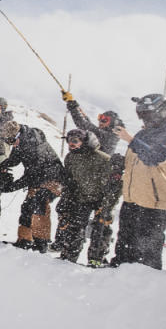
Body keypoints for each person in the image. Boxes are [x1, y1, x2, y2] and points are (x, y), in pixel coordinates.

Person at [110, 93, 166, 270]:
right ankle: (118, 271)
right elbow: (137, 159)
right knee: (126, 238)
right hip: (134, 197)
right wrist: (120, 162)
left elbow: (155, 158)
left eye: (149, 115)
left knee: (147, 246)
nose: (145, 119)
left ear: (161, 112)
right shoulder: (144, 133)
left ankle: (147, 279)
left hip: (157, 201)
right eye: (142, 115)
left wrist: (130, 140)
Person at [60, 90, 126, 262]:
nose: (101, 122)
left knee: (101, 227)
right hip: (87, 182)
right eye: (100, 119)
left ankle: (96, 258)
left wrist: (73, 106)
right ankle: (70, 252)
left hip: (102, 185)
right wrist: (74, 104)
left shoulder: (110, 136)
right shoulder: (93, 140)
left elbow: (85, 126)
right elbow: (87, 125)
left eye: (105, 120)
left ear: (114, 124)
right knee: (77, 223)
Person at [0, 124, 63, 252]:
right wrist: (0, 166)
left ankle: (41, 243)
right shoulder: (21, 141)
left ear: (18, 135)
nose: (12, 145)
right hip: (38, 178)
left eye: (11, 141)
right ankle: (25, 240)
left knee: (39, 205)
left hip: (53, 179)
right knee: (27, 206)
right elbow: (14, 159)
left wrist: (12, 186)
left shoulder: (34, 146)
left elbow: (31, 176)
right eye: (8, 142)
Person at [54, 129, 112, 265]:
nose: (71, 144)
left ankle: (96, 259)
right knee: (75, 227)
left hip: (101, 199)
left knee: (101, 229)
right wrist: (68, 196)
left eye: (75, 141)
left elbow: (113, 182)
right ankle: (69, 255)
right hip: (81, 197)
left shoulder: (102, 158)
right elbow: (69, 179)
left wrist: (107, 203)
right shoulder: (70, 157)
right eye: (69, 141)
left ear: (84, 142)